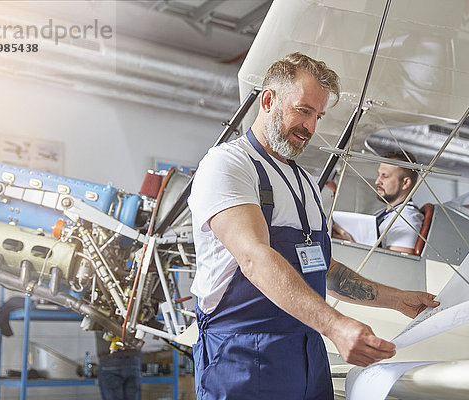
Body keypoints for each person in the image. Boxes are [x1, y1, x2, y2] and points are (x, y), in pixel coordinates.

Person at [188, 52, 439, 399]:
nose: (311, 128)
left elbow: (323, 269)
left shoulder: (304, 181)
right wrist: (336, 325)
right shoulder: (228, 164)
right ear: (268, 100)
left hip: (306, 352)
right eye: (303, 110)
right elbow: (255, 258)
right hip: (243, 356)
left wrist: (397, 299)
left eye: (318, 115)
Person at [373, 150, 424, 254]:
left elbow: (395, 265)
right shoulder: (386, 213)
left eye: (385, 176)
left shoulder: (406, 220)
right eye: (379, 175)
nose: (377, 181)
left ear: (405, 183)